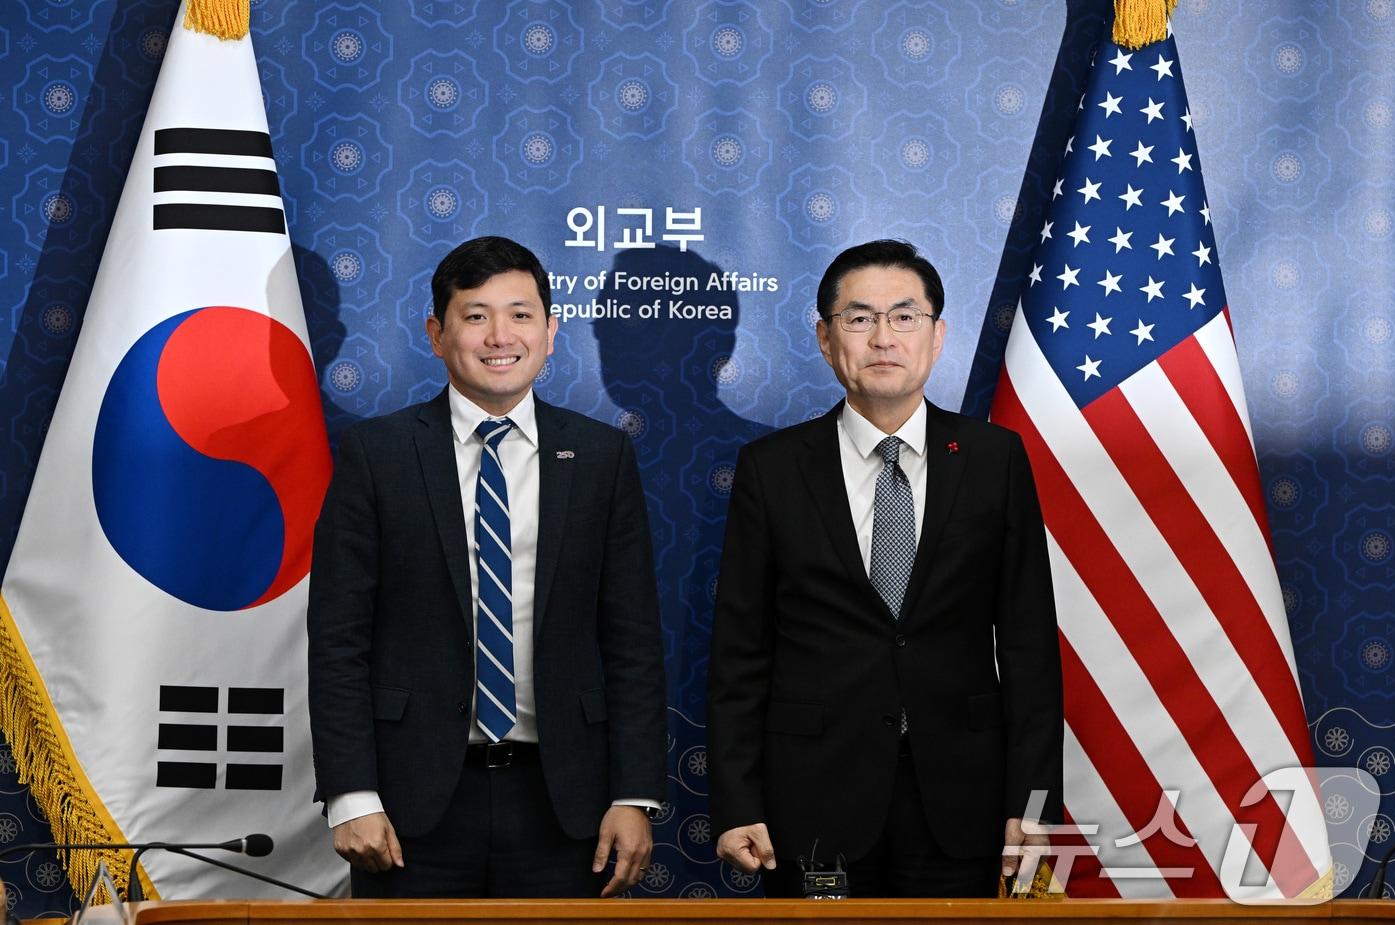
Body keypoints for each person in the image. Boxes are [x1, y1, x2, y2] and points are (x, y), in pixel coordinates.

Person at [307, 235, 667, 898]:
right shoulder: (376, 456)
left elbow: (633, 641)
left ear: (552, 331)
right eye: (475, 316)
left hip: (568, 804)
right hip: (409, 806)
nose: (501, 335)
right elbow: (338, 639)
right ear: (437, 333)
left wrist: (634, 792)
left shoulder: (600, 457)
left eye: (521, 314)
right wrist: (351, 792)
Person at [707, 239, 1062, 898]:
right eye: (859, 317)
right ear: (824, 336)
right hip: (811, 798)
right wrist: (736, 801)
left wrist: (1035, 803)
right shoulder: (773, 468)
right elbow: (740, 651)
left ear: (936, 336)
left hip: (963, 797)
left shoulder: (993, 458)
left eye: (904, 317)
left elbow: (1030, 645)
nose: (883, 338)